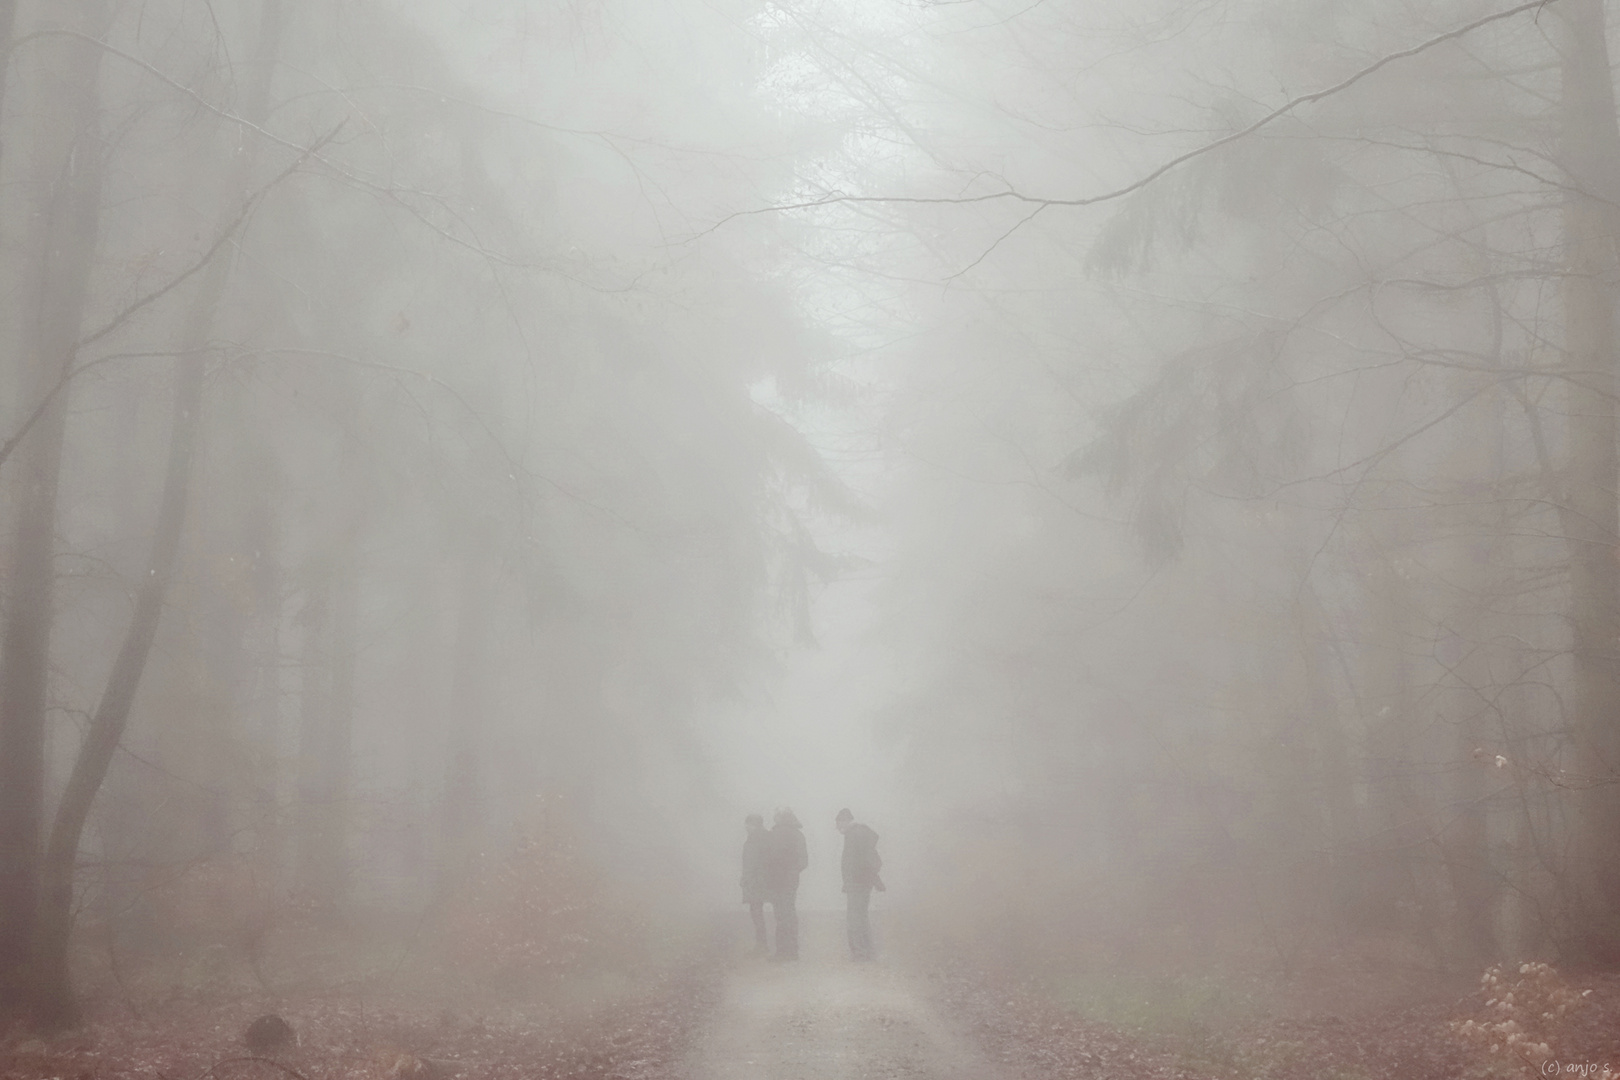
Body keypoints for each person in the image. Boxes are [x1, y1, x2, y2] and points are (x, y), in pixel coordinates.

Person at [836, 807, 882, 961]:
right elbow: (867, 859)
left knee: (854, 918)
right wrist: (874, 880)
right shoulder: (859, 834)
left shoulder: (854, 835)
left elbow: (856, 862)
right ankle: (868, 951)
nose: (838, 827)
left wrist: (852, 880)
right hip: (862, 883)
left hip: (856, 884)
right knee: (861, 916)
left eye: (839, 822)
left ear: (846, 820)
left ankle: (860, 953)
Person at [765, 808, 807, 961]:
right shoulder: (798, 835)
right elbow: (804, 861)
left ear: (780, 818)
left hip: (776, 881)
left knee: (781, 916)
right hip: (790, 882)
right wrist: (792, 871)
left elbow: (767, 860)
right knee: (789, 914)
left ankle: (782, 952)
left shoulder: (774, 834)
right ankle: (793, 951)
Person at [740, 813, 770, 955]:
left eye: (748, 824)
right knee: (762, 911)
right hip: (765, 879)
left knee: (756, 912)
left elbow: (750, 863)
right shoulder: (768, 837)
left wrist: (745, 879)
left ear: (755, 824)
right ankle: (767, 943)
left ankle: (761, 944)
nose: (746, 827)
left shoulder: (753, 839)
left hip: (755, 881)